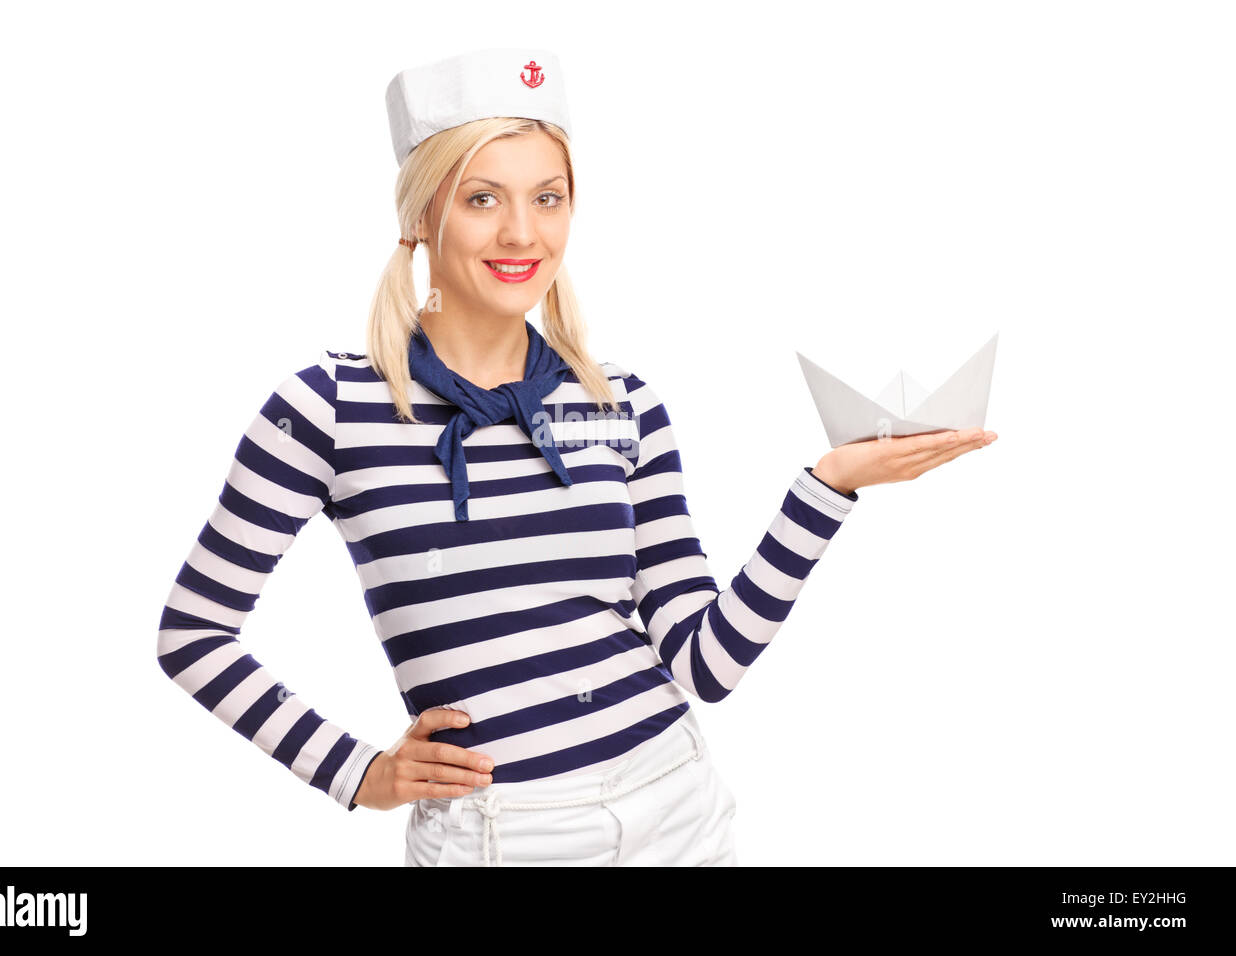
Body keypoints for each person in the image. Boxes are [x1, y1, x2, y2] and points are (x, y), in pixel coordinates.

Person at [156, 47, 998, 866]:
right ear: (421, 215)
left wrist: (828, 487)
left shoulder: (620, 401)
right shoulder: (328, 407)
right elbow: (193, 634)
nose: (522, 232)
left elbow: (707, 662)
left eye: (548, 198)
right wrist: (358, 774)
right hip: (504, 834)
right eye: (482, 198)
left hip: (679, 804)